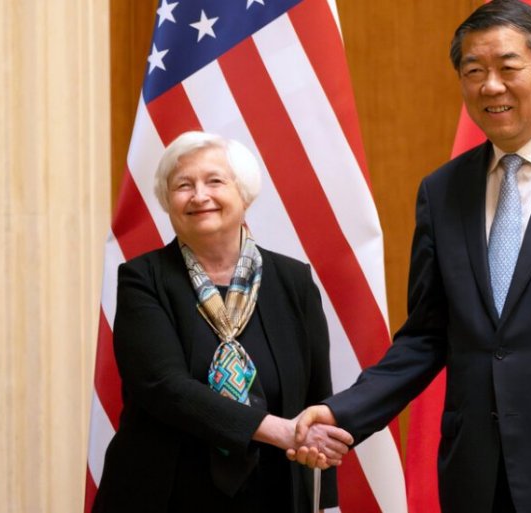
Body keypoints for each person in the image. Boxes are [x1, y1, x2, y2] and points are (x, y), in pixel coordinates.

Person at [292, 1, 531, 512]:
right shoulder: (443, 191)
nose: (491, 86)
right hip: (476, 472)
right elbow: (427, 335)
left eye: (507, 67)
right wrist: (341, 413)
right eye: (474, 72)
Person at [92, 131, 353, 513]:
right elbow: (165, 387)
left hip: (275, 491)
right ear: (167, 201)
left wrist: (318, 477)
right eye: (183, 185)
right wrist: (278, 430)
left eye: (214, 181)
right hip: (164, 493)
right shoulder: (142, 279)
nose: (199, 196)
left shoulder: (293, 280)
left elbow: (315, 392)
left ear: (244, 194)